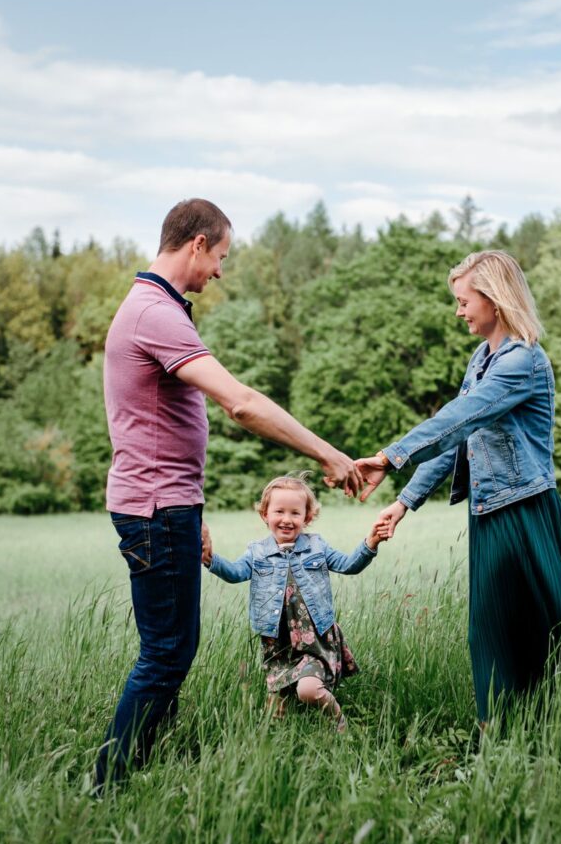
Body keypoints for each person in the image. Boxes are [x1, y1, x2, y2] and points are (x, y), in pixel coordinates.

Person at [96, 199, 362, 787]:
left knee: (171, 649)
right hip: (156, 508)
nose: (219, 270)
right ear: (195, 243)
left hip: (167, 506)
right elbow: (240, 402)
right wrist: (328, 454)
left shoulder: (156, 309)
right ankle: (108, 783)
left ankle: (143, 766)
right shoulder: (154, 312)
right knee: (165, 653)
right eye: (219, 255)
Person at [356, 250, 561, 725]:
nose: (458, 311)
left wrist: (389, 456)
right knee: (491, 631)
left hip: (526, 512)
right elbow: (454, 439)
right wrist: (403, 503)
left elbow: (459, 417)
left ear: (495, 300)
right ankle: (500, 735)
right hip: (490, 515)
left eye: (464, 301)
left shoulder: (521, 361)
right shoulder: (481, 359)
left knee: (547, 630)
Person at [203, 474, 387, 732]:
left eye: (295, 513)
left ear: (307, 517)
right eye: (279, 511)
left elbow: (348, 565)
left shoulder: (317, 546)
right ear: (265, 514)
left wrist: (371, 542)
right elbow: (234, 573)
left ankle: (341, 726)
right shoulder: (257, 552)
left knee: (309, 691)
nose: (287, 519)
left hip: (315, 639)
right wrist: (210, 559)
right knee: (274, 716)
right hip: (278, 642)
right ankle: (277, 743)